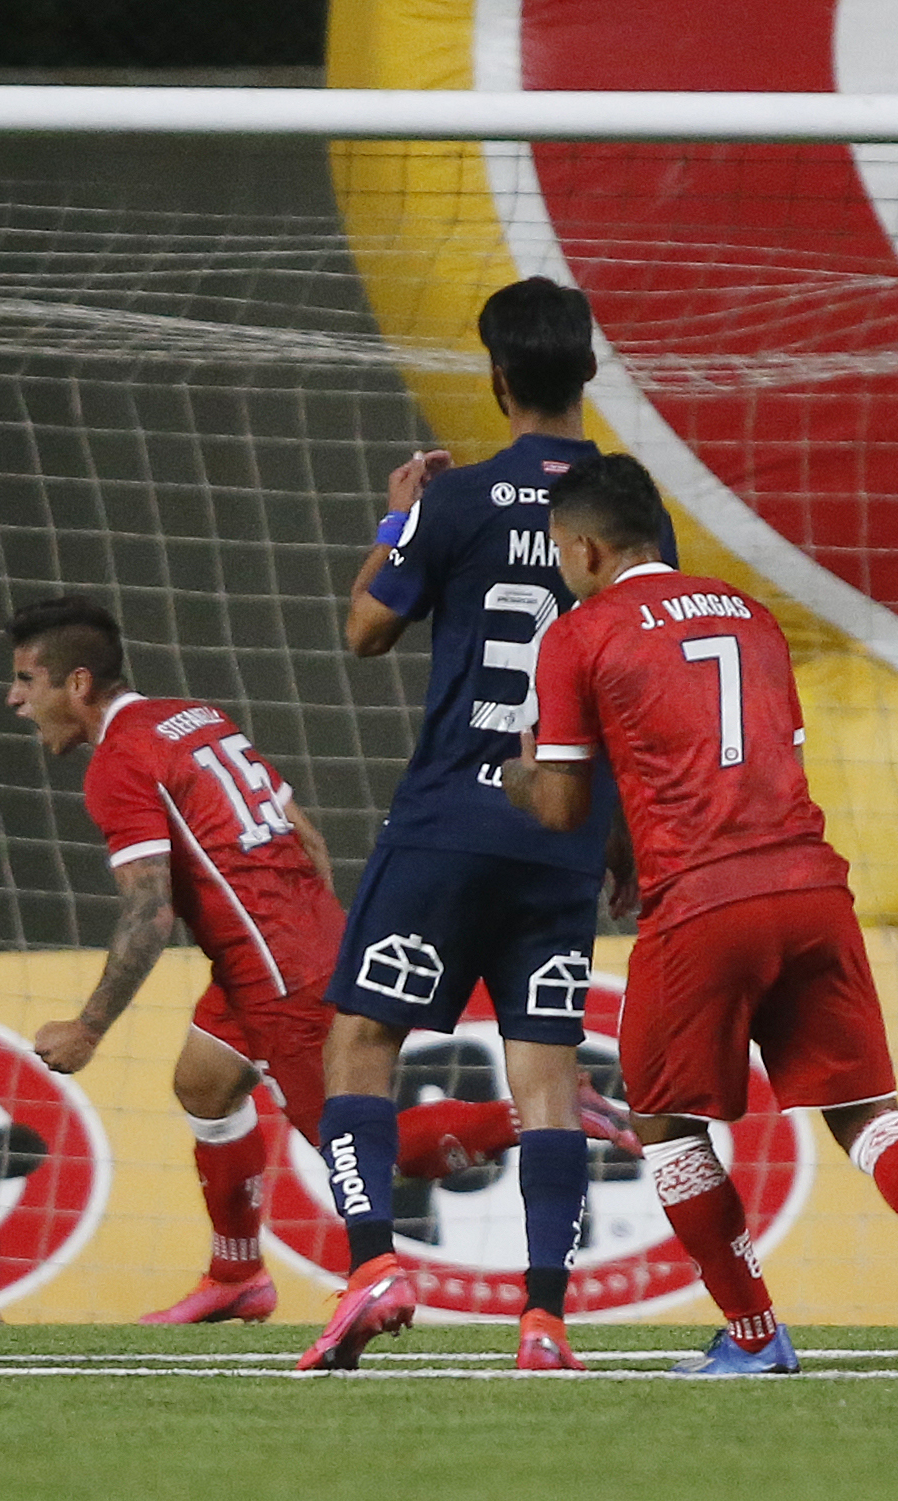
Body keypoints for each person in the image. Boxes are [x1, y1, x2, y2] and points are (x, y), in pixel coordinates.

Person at [503, 453, 898, 1374]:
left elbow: (558, 806)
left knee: (666, 1118)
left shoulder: (579, 634)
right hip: (812, 888)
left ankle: (755, 1334)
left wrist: (516, 771)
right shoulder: (749, 615)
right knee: (868, 1111)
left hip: (704, 902)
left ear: (585, 548)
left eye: (560, 552)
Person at [6, 596, 633, 1324]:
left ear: (77, 684)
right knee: (204, 1086)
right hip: (283, 948)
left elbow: (149, 910)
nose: (14, 698)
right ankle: (237, 1274)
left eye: (26, 679)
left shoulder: (118, 763)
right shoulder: (191, 716)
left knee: (377, 1150)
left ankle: (531, 1115)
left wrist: (88, 1027)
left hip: (277, 975)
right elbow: (304, 833)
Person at [306, 278, 668, 1373]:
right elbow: (640, 682)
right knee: (545, 1072)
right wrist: (618, 839)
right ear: (588, 371)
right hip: (563, 832)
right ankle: (544, 1318)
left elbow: (364, 629)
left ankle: (373, 1266)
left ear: (495, 379)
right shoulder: (625, 508)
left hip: (447, 822)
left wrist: (398, 513)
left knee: (359, 1041)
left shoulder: (455, 502)